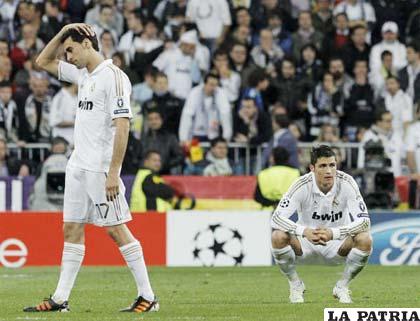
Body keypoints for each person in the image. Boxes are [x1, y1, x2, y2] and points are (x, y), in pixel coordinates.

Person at [23, 23, 158, 313]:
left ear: (87, 43)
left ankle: (148, 296)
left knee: (116, 230)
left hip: (100, 169)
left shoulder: (114, 77)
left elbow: (123, 126)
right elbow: (42, 61)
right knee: (71, 229)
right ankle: (60, 299)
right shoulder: (83, 75)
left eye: (70, 49)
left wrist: (113, 172)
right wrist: (62, 33)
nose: (67, 56)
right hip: (78, 166)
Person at [271, 145, 372, 304]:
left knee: (365, 239)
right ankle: (295, 285)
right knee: (277, 236)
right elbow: (276, 218)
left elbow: (365, 221)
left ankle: (342, 286)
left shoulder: (346, 182)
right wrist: (304, 231)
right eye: (323, 166)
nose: (329, 171)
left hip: (338, 244)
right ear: (312, 168)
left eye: (332, 165)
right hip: (305, 244)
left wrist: (335, 233)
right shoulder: (301, 185)